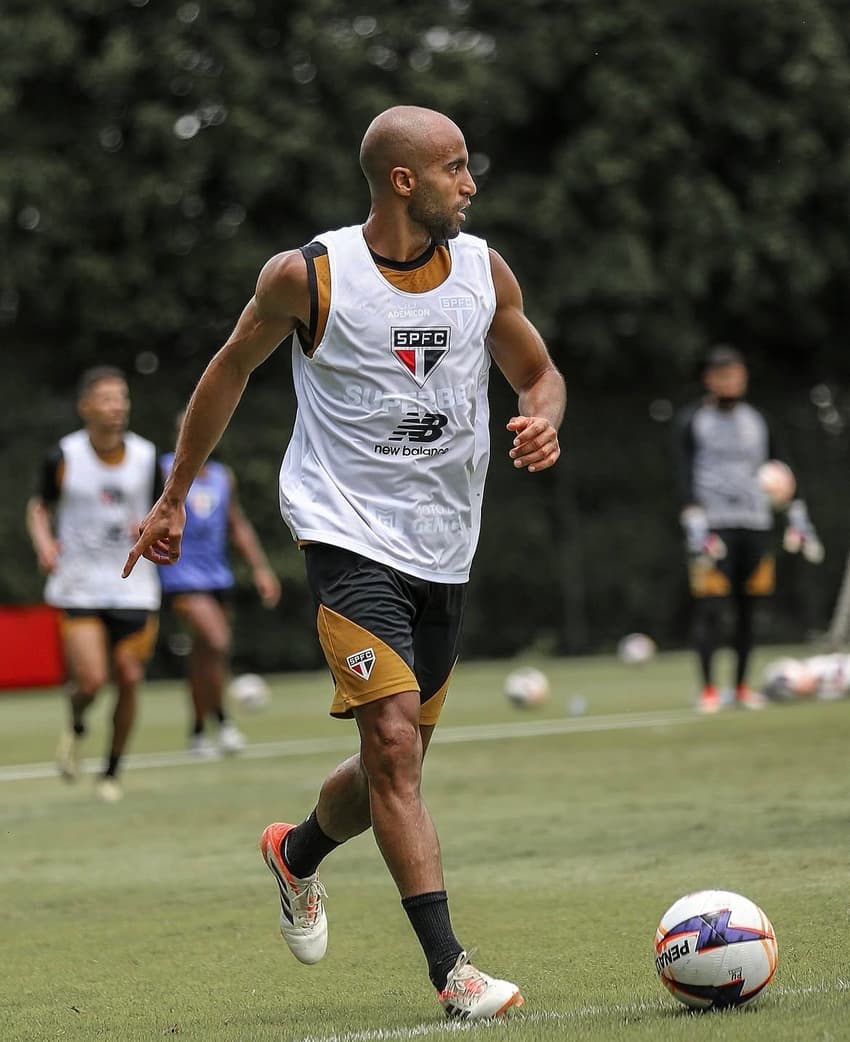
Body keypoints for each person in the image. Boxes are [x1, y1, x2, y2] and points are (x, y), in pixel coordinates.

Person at [124, 105, 565, 1020]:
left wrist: (543, 418)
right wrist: (172, 497)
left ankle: (295, 855)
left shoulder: (483, 272)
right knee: (394, 747)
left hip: (445, 547)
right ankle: (455, 975)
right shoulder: (311, 276)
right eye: (455, 168)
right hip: (343, 535)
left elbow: (538, 369)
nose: (470, 183)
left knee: (384, 774)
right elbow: (227, 372)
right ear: (403, 181)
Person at [25, 366, 161, 802]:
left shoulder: (145, 457)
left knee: (129, 675)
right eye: (106, 398)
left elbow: (165, 508)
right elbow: (38, 508)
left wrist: (155, 529)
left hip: (134, 584)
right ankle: (78, 719)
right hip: (79, 584)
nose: (117, 405)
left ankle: (111, 770)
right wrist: (45, 545)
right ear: (86, 407)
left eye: (122, 397)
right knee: (90, 681)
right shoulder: (63, 457)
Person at [673, 344, 823, 714]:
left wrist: (797, 516)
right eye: (723, 374)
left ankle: (741, 688)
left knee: (749, 610)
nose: (731, 381)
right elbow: (682, 470)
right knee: (710, 608)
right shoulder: (694, 420)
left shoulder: (759, 420)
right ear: (709, 379)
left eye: (737, 373)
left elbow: (781, 468)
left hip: (756, 526)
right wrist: (693, 521)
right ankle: (708, 690)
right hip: (713, 528)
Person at [160, 410, 281, 757]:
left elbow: (237, 524)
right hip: (179, 577)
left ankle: (198, 733)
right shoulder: (163, 470)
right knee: (216, 640)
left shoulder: (222, 477)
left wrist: (260, 568)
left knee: (204, 656)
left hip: (217, 577)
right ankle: (224, 722)